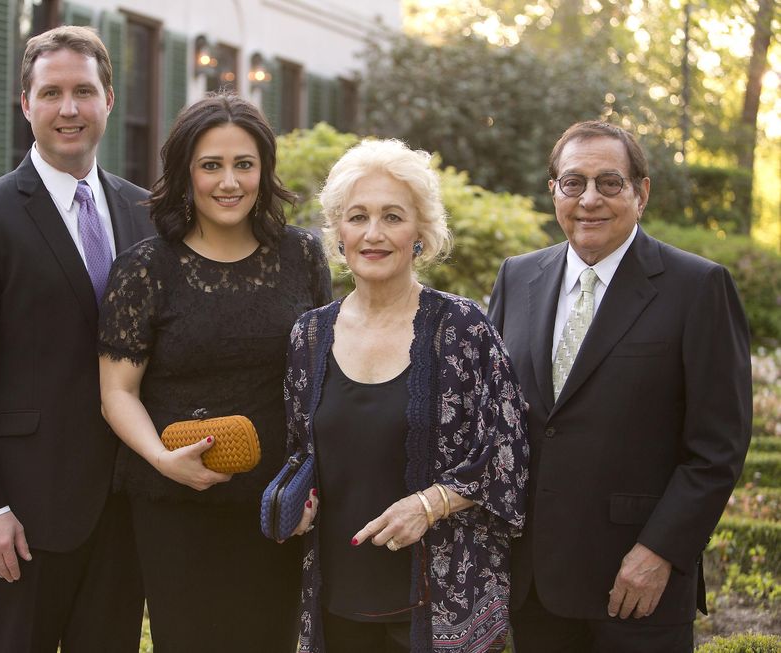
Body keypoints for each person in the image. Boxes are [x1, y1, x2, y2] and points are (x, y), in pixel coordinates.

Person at [0, 26, 153, 652]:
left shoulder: (148, 213)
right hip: (23, 513)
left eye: (84, 91)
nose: (70, 109)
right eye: (51, 93)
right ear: (26, 105)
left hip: (127, 502)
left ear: (109, 97)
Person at [488, 120, 752, 652]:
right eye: (573, 182)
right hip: (535, 584)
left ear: (640, 192)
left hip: (637, 585)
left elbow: (718, 446)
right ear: (554, 192)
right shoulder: (516, 278)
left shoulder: (697, 287)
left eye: (609, 182)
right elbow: (493, 420)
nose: (589, 199)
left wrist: (661, 551)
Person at [97, 92, 332, 652]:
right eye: (211, 165)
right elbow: (117, 392)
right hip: (174, 506)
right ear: (185, 174)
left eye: (244, 165)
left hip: (278, 508)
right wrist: (160, 459)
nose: (229, 182)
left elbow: (323, 384)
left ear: (263, 172)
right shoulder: (144, 269)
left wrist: (315, 486)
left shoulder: (303, 256)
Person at [284, 138, 529, 652]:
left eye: (393, 217)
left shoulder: (462, 328)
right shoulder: (308, 335)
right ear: (338, 233)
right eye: (358, 217)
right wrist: (293, 497)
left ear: (420, 233)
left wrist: (431, 503)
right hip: (334, 600)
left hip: (438, 604)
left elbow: (507, 455)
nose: (374, 234)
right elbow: (301, 452)